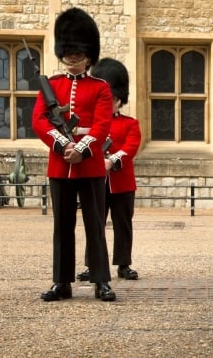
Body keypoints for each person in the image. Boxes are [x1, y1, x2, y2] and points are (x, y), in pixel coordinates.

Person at [32, 7, 115, 302]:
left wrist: (81, 148)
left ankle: (101, 280)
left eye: (78, 55)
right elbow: (39, 120)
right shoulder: (51, 85)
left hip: (89, 164)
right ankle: (61, 282)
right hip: (59, 164)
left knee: (95, 225)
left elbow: (103, 124)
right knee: (62, 226)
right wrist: (61, 144)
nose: (73, 60)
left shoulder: (101, 87)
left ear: (88, 56)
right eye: (69, 54)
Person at [77, 58, 142, 282]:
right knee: (95, 224)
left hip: (122, 182)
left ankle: (123, 264)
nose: (111, 102)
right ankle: (92, 264)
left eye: (115, 99)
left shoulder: (130, 123)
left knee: (122, 225)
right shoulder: (93, 124)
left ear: (119, 100)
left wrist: (112, 160)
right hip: (96, 181)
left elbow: (131, 147)